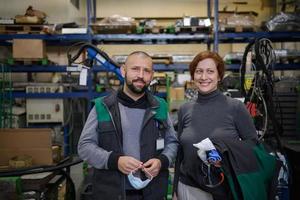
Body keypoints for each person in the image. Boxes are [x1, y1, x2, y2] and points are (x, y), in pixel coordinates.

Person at [78, 51, 178, 200]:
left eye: (146, 71)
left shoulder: (160, 107)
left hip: (152, 193)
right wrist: (115, 161)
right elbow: (84, 147)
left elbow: (172, 142)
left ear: (152, 75)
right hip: (112, 192)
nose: (141, 75)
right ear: (123, 71)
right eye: (135, 69)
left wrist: (162, 161)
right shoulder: (103, 106)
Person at [173, 51, 258, 200]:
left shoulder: (235, 107)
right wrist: (175, 190)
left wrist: (226, 156)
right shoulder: (185, 109)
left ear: (219, 77)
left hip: (225, 189)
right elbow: (181, 152)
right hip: (188, 188)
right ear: (193, 76)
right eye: (199, 71)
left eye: (210, 71)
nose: (204, 77)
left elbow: (252, 146)